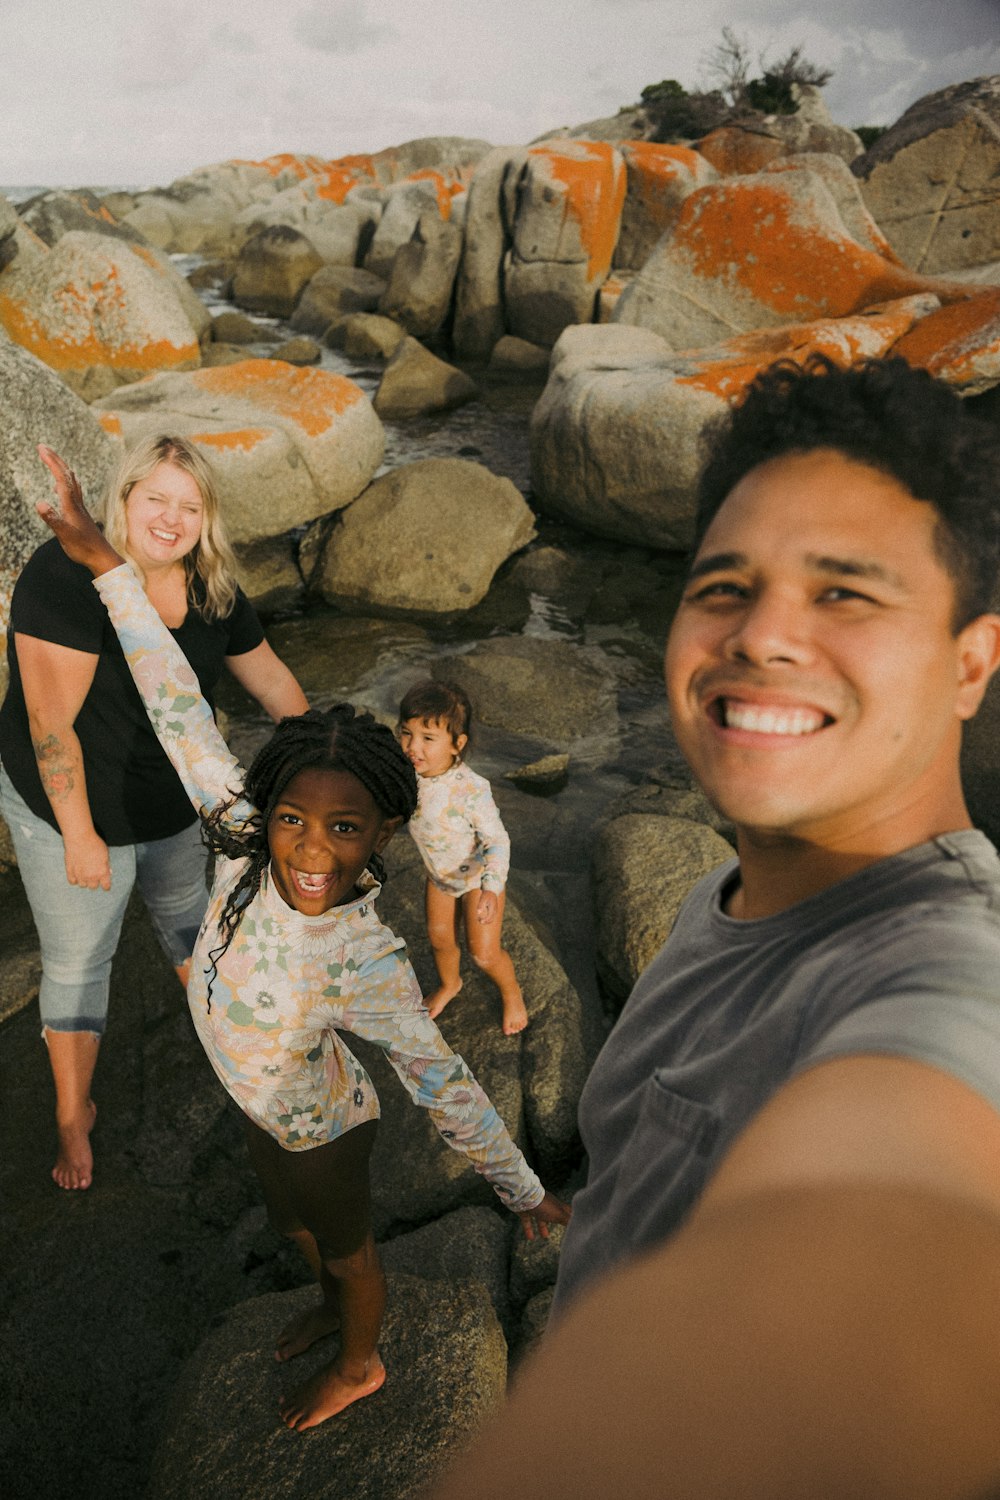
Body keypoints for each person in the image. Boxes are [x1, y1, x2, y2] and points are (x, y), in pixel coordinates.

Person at [426, 355, 1000, 1498]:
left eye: (846, 591)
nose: (760, 635)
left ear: (970, 664)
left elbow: (898, 1210)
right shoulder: (722, 894)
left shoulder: (940, 976)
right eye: (724, 585)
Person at [35, 446, 571, 1433]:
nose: (311, 849)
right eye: (294, 820)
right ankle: (325, 1306)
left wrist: (522, 1190)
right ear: (267, 806)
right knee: (292, 1228)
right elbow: (172, 697)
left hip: (324, 1123)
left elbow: (441, 1078)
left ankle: (361, 1358)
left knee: (346, 1245)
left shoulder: (365, 959)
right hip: (254, 1093)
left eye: (345, 827)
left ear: (383, 831)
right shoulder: (237, 826)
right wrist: (99, 558)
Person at [0, 434, 308, 1192]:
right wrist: (79, 836)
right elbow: (50, 729)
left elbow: (271, 681)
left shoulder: (212, 589)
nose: (171, 519)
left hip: (170, 798)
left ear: (208, 519)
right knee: (80, 960)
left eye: (189, 505)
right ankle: (75, 1116)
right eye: (156, 500)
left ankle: (230, 1043)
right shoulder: (65, 579)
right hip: (66, 800)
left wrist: (324, 765)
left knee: (189, 919)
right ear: (125, 499)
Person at [398, 679, 528, 1034]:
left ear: (457, 744)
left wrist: (490, 887)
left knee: (483, 953)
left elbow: (497, 840)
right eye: (406, 733)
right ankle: (450, 983)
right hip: (439, 876)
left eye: (428, 738)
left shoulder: (471, 789)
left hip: (477, 878)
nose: (413, 747)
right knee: (439, 938)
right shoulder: (407, 776)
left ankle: (512, 992)